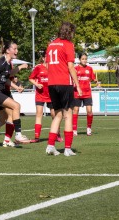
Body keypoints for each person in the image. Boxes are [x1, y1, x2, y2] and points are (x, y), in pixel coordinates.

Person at [45, 22, 82, 156]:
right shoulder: (68, 45)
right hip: (64, 83)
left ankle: (50, 145)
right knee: (68, 115)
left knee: (58, 114)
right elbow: (71, 67)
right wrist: (77, 84)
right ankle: (67, 148)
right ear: (69, 32)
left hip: (52, 83)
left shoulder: (51, 45)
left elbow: (47, 65)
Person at [28, 56, 60, 143]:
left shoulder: (54, 67)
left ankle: (57, 134)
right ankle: (37, 137)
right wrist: (37, 84)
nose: (48, 57)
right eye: (46, 56)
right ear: (43, 58)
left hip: (52, 95)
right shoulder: (38, 67)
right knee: (39, 114)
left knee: (54, 115)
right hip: (40, 94)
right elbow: (31, 78)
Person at [72, 53, 98, 136]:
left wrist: (96, 81)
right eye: (83, 59)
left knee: (89, 111)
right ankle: (74, 129)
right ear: (79, 59)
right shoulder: (75, 68)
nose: (84, 60)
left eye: (85, 59)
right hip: (77, 92)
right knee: (75, 110)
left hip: (87, 93)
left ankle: (89, 128)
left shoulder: (89, 68)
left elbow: (92, 78)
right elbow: (72, 79)